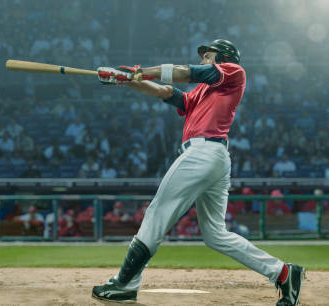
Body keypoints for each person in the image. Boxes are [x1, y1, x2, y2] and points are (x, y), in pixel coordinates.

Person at [93, 40, 304, 305]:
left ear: (224, 57)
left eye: (208, 54)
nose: (204, 57)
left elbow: (185, 71)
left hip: (203, 153)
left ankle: (125, 284)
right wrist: (126, 80)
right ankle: (284, 273)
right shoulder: (203, 91)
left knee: (158, 213)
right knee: (216, 235)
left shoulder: (233, 72)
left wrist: (142, 71)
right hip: (212, 158)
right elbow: (166, 92)